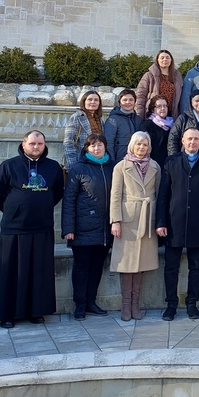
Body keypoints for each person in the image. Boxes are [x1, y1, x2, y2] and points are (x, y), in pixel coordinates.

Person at [0, 130, 64, 329]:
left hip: (42, 228)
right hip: (14, 229)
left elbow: (58, 193)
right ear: (24, 144)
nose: (36, 147)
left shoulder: (53, 167)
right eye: (33, 143)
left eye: (40, 144)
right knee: (9, 273)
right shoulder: (8, 166)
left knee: (38, 273)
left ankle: (35, 311)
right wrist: (14, 209)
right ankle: (7, 314)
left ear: (45, 145)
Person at [156, 128, 199, 320]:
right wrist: (161, 222)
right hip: (173, 223)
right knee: (171, 267)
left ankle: (192, 303)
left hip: (198, 222)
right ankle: (171, 304)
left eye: (196, 139)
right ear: (182, 141)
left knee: (196, 266)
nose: (192, 142)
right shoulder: (171, 161)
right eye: (189, 139)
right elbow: (163, 195)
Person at [109, 131, 160, 322]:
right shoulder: (121, 167)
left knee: (141, 264)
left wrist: (158, 220)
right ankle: (125, 306)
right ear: (132, 145)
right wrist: (115, 220)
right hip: (128, 220)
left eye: (145, 145)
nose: (141, 148)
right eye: (138, 144)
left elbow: (159, 192)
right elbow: (115, 195)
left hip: (147, 219)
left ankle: (136, 305)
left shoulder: (155, 166)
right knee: (126, 263)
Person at [62, 133, 113, 321]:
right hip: (83, 228)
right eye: (93, 146)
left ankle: (91, 301)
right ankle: (80, 305)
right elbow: (69, 200)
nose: (97, 148)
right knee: (82, 267)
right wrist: (69, 228)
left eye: (100, 145)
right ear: (86, 148)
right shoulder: (78, 168)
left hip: (105, 229)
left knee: (97, 267)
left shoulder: (112, 167)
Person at [168, 88, 199, 157]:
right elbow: (173, 139)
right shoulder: (183, 118)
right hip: (186, 158)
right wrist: (175, 159)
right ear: (191, 102)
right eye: (196, 101)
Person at [136, 50, 182, 119]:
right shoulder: (149, 76)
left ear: (171, 60)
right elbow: (140, 96)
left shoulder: (177, 76)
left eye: (167, 57)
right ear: (157, 60)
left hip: (171, 115)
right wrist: (139, 115)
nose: (165, 59)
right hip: (153, 114)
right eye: (162, 57)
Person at [64, 90, 103, 168]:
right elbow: (68, 142)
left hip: (96, 162)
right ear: (84, 102)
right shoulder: (76, 117)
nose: (93, 102)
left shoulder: (100, 120)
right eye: (90, 99)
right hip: (80, 161)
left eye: (96, 100)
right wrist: (73, 164)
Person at [104, 89, 142, 164]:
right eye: (125, 100)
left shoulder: (138, 120)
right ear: (120, 102)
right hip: (119, 160)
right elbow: (108, 143)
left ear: (135, 102)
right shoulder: (112, 120)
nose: (128, 102)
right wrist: (111, 162)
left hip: (136, 161)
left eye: (131, 100)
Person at [139, 95, 172, 167]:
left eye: (165, 106)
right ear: (152, 109)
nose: (163, 108)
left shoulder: (172, 124)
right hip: (152, 165)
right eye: (159, 106)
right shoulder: (147, 125)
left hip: (168, 163)